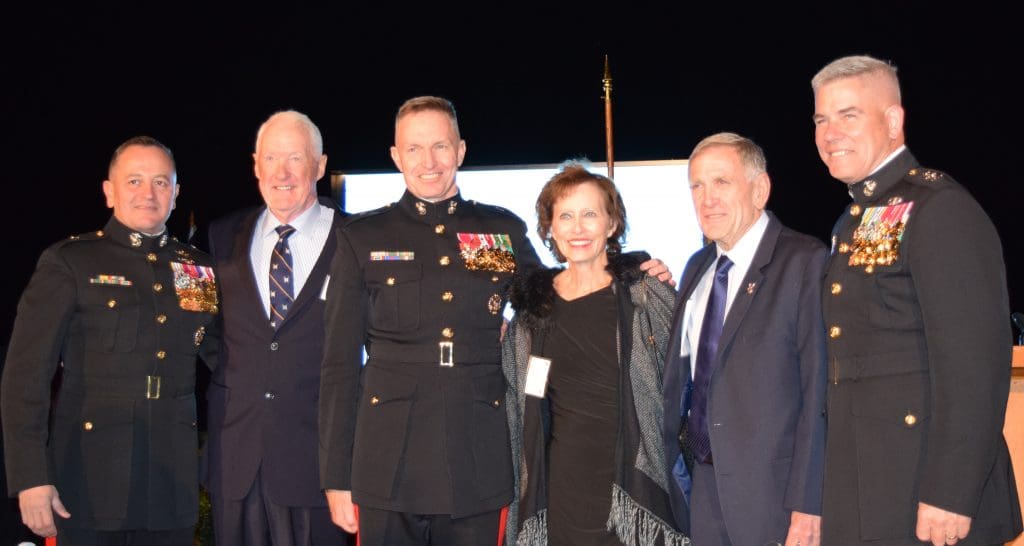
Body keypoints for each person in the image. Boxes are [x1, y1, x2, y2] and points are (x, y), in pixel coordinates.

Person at [318, 96, 672, 545]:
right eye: (414, 149)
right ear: (396, 156)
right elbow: (338, 368)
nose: (429, 162)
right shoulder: (362, 238)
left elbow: (554, 290)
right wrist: (336, 478)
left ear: (461, 151)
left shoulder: (498, 230)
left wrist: (631, 270)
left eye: (441, 146)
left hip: (478, 461)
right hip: (388, 466)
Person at [812, 55, 1023, 546]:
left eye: (848, 115)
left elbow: (975, 362)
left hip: (927, 492)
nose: (829, 133)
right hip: (870, 483)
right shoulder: (856, 218)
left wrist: (952, 490)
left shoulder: (938, 208)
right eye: (821, 119)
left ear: (893, 120)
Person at [1, 136, 219, 545]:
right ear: (109, 191)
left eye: (160, 181)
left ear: (175, 194)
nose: (148, 193)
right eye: (134, 180)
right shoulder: (71, 261)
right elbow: (25, 377)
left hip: (171, 480)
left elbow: (227, 361)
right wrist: (31, 477)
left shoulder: (198, 269)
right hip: (89, 477)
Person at [501, 163, 687, 545]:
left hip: (637, 481)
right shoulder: (531, 312)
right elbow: (514, 400)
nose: (578, 228)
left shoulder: (646, 295)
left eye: (590, 214)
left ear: (612, 223)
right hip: (561, 489)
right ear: (549, 227)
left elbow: (687, 380)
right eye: (565, 216)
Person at [662, 132, 828, 546]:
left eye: (722, 182)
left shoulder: (805, 262)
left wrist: (809, 504)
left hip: (774, 500)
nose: (707, 198)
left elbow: (819, 392)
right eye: (697, 186)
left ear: (760, 189)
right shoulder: (696, 268)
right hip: (701, 489)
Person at [203, 110, 352, 546]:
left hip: (318, 465)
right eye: (271, 158)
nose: (282, 173)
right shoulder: (222, 235)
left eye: (296, 158)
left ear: (320, 166)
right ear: (255, 165)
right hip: (237, 458)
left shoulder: (356, 239)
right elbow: (210, 332)